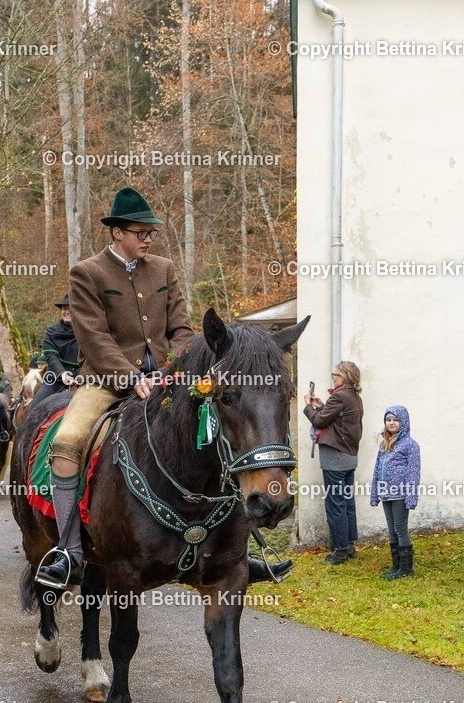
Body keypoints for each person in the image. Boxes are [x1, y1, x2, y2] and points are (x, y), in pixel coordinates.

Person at [36, 186, 292, 588]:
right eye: (140, 231)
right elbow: (94, 337)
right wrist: (131, 378)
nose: (148, 238)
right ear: (116, 232)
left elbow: (183, 330)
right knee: (67, 442)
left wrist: (172, 371)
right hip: (106, 382)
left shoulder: (165, 269)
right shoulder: (87, 273)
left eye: (151, 232)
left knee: (218, 437)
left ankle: (238, 551)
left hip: (169, 380)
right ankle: (68, 551)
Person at [303, 360, 364, 565]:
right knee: (347, 502)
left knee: (335, 504)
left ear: (344, 377)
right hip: (348, 457)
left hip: (335, 459)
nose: (333, 378)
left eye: (335, 375)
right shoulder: (354, 397)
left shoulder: (339, 395)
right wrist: (321, 405)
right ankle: (349, 545)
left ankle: (340, 550)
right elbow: (337, 418)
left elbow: (320, 421)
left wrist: (308, 406)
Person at [370, 406, 420, 579]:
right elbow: (377, 468)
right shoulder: (385, 444)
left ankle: (407, 568)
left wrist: (411, 497)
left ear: (403, 422)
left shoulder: (410, 445)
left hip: (400, 494)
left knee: (400, 528)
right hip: (386, 493)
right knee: (391, 530)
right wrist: (375, 493)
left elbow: (413, 472)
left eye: (395, 420)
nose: (391, 423)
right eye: (388, 419)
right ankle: (396, 566)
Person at [35, 294, 80, 404]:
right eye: (64, 308)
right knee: (35, 406)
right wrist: (63, 374)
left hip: (83, 377)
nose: (67, 311)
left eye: (70, 309)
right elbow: (51, 356)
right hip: (56, 379)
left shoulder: (86, 331)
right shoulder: (51, 331)